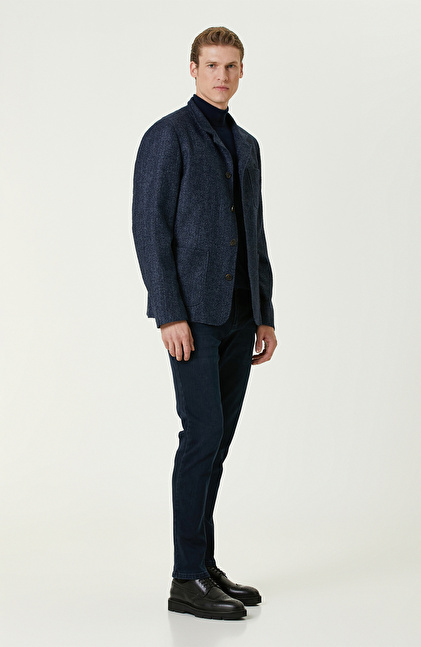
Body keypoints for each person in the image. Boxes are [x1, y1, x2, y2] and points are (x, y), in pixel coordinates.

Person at [132, 26, 277, 620]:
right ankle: (185, 578)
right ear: (193, 69)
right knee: (201, 436)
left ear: (242, 72)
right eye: (212, 65)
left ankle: (204, 565)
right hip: (192, 318)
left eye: (231, 66)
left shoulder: (246, 145)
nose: (222, 75)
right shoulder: (168, 136)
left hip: (240, 317)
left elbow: (254, 232)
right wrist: (168, 312)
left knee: (217, 443)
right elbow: (150, 228)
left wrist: (265, 314)